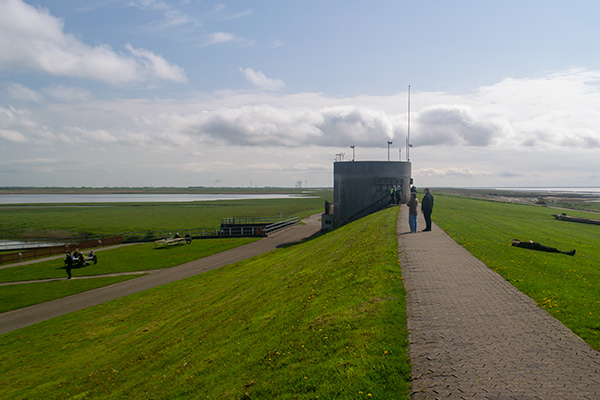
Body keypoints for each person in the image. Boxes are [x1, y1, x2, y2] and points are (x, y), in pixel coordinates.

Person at [511, 239, 575, 256]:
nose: (517, 241)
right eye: (516, 242)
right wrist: (530, 242)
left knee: (553, 249)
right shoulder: (522, 245)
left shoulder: (521, 244)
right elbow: (530, 245)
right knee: (553, 249)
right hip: (539, 247)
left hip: (538, 246)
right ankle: (568, 253)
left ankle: (568, 253)